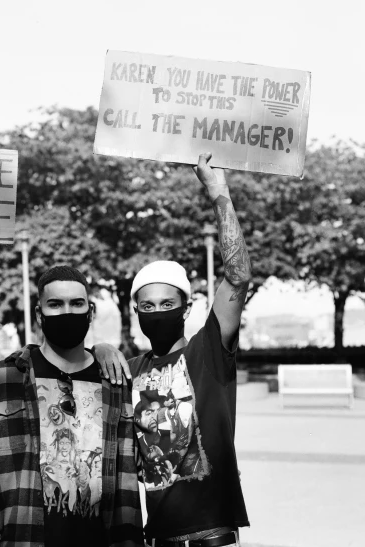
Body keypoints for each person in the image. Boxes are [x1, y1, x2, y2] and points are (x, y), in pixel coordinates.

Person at [0, 266, 143, 547]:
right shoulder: (4, 379)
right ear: (39, 315)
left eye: (76, 303)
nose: (67, 312)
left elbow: (127, 479)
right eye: (55, 304)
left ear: (90, 310)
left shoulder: (114, 382)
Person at [129, 153, 250, 546]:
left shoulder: (208, 352)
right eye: (147, 306)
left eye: (168, 304)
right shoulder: (126, 370)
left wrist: (218, 192)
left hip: (212, 535)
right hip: (157, 538)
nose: (158, 312)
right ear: (135, 312)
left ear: (187, 308)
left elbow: (237, 277)